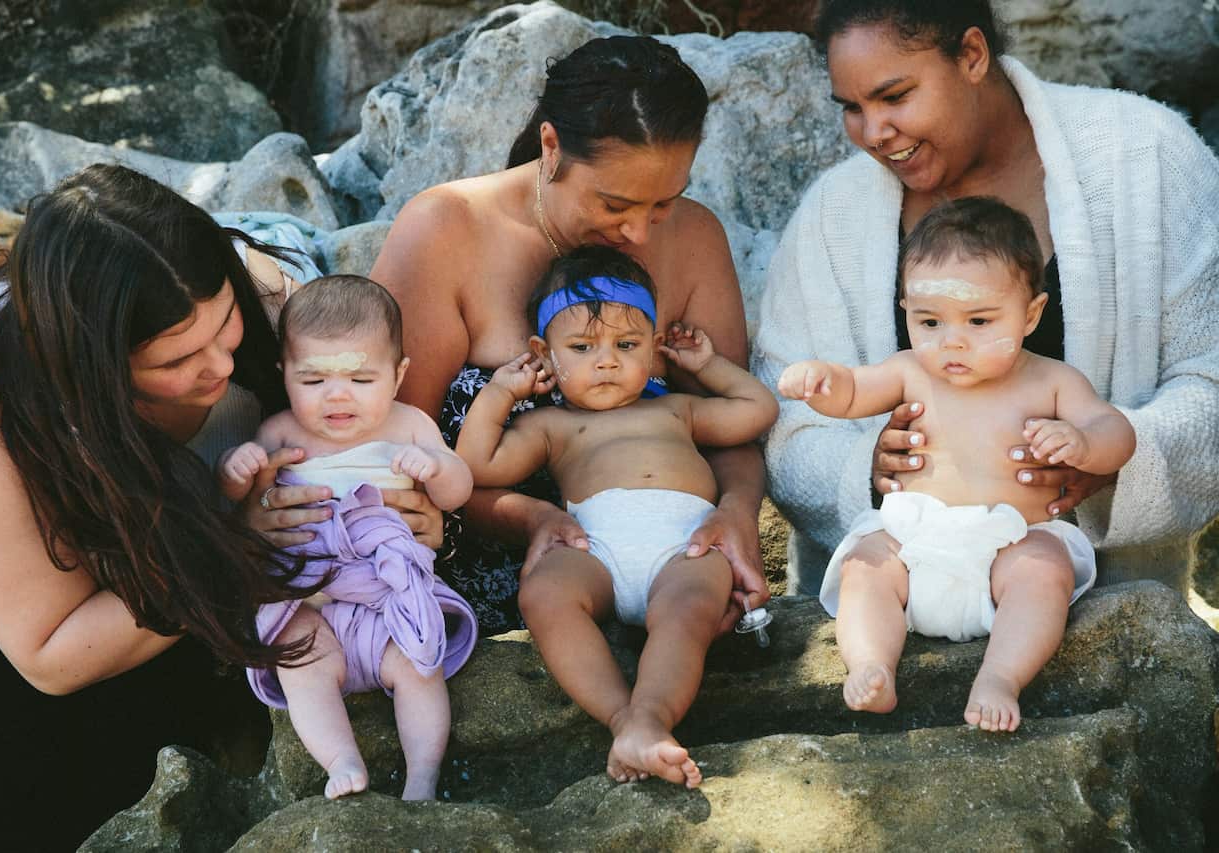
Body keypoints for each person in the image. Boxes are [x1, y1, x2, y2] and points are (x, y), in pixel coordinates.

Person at [0, 165, 442, 851]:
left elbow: (363, 418)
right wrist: (234, 541)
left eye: (225, 329)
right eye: (178, 358)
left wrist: (416, 507)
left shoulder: (241, 283)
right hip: (30, 642)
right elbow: (51, 653)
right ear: (93, 366)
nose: (221, 368)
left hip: (208, 588)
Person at [752, 0, 1219, 595]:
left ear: (972, 55)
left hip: (1107, 615)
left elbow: (1210, 374)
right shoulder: (832, 216)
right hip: (895, 609)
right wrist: (864, 470)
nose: (872, 133)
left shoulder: (1145, 157)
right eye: (851, 107)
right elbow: (783, 413)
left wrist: (1113, 458)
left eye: (895, 96)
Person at [370, 34, 769, 635]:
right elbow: (391, 446)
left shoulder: (694, 237)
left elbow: (728, 423)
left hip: (670, 562)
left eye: (664, 202)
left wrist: (737, 515)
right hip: (478, 558)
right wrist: (532, 519)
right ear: (551, 146)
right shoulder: (446, 231)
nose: (639, 232)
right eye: (614, 205)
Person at [778, 197, 1134, 730]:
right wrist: (822, 382)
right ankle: (871, 664)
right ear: (905, 311)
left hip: (1012, 543)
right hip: (912, 536)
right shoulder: (908, 371)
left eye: (979, 320)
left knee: (1045, 572)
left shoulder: (1054, 381)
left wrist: (1082, 442)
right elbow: (853, 393)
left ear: (1031, 314)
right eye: (929, 321)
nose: (953, 342)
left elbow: (1116, 433)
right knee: (866, 567)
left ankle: (1000, 677)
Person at [456, 247, 778, 786]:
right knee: (542, 593)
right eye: (581, 347)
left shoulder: (676, 408)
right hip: (594, 549)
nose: (606, 361)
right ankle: (620, 717)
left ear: (654, 349)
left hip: (686, 546)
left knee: (691, 608)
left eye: (626, 346)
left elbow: (757, 411)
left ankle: (648, 718)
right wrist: (499, 393)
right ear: (544, 352)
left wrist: (705, 366)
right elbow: (474, 465)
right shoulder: (552, 426)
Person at [217, 275, 477, 800]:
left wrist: (434, 466)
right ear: (283, 374)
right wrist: (235, 469)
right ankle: (340, 762)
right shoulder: (279, 432)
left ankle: (423, 776)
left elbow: (457, 491)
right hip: (309, 601)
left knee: (420, 668)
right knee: (294, 659)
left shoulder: (410, 425)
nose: (338, 396)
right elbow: (235, 506)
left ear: (398, 374)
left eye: (361, 380)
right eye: (312, 381)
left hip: (392, 599)